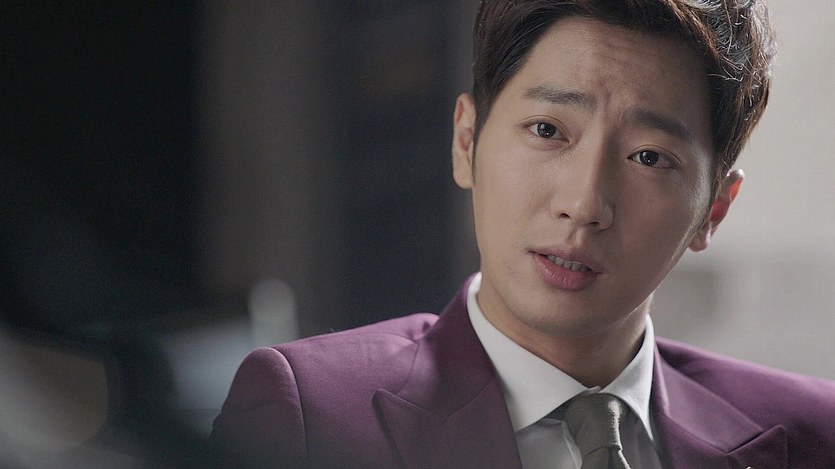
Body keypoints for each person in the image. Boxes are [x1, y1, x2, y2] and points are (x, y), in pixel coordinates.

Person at [210, 1, 835, 468]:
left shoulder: (814, 434)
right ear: (466, 142)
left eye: (649, 157)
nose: (583, 205)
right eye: (547, 130)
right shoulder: (312, 414)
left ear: (713, 211)